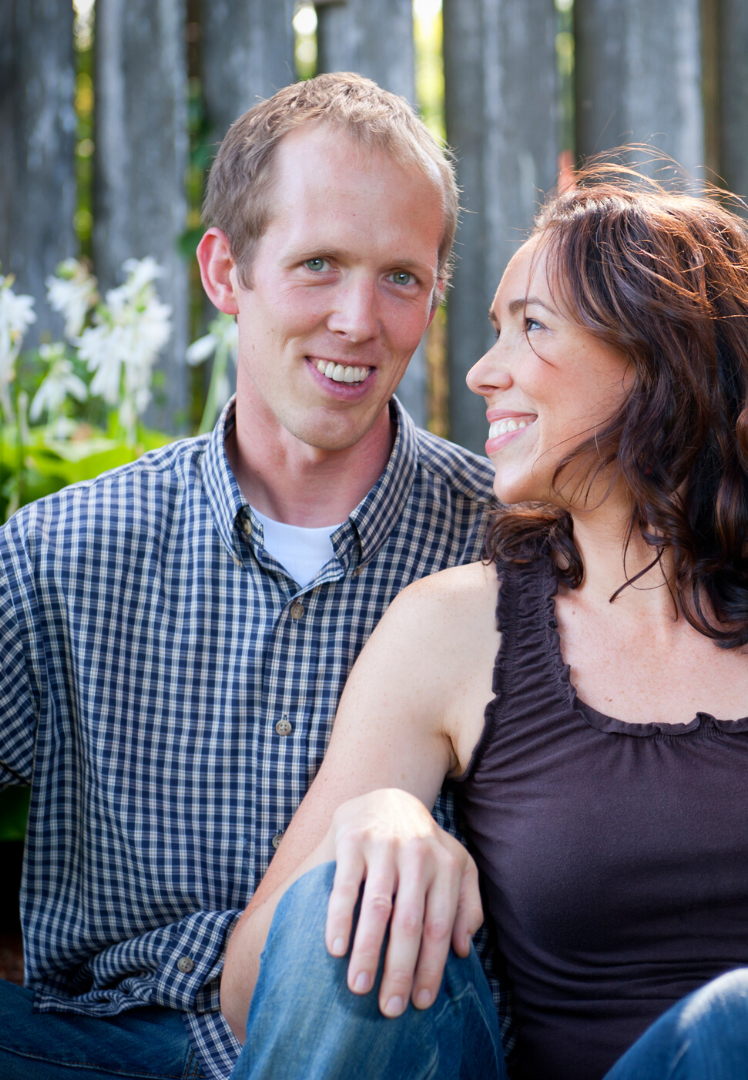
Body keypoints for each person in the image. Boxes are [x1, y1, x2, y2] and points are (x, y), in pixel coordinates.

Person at [220, 171, 748, 1080]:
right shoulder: (451, 633)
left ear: (663, 361)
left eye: (531, 327)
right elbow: (251, 993)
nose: (483, 371)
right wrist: (377, 820)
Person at [0, 74, 503, 1080]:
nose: (360, 320)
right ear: (226, 272)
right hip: (89, 1042)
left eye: (402, 277)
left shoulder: (510, 554)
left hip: (380, 1036)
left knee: (345, 919)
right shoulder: (60, 555)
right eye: (319, 265)